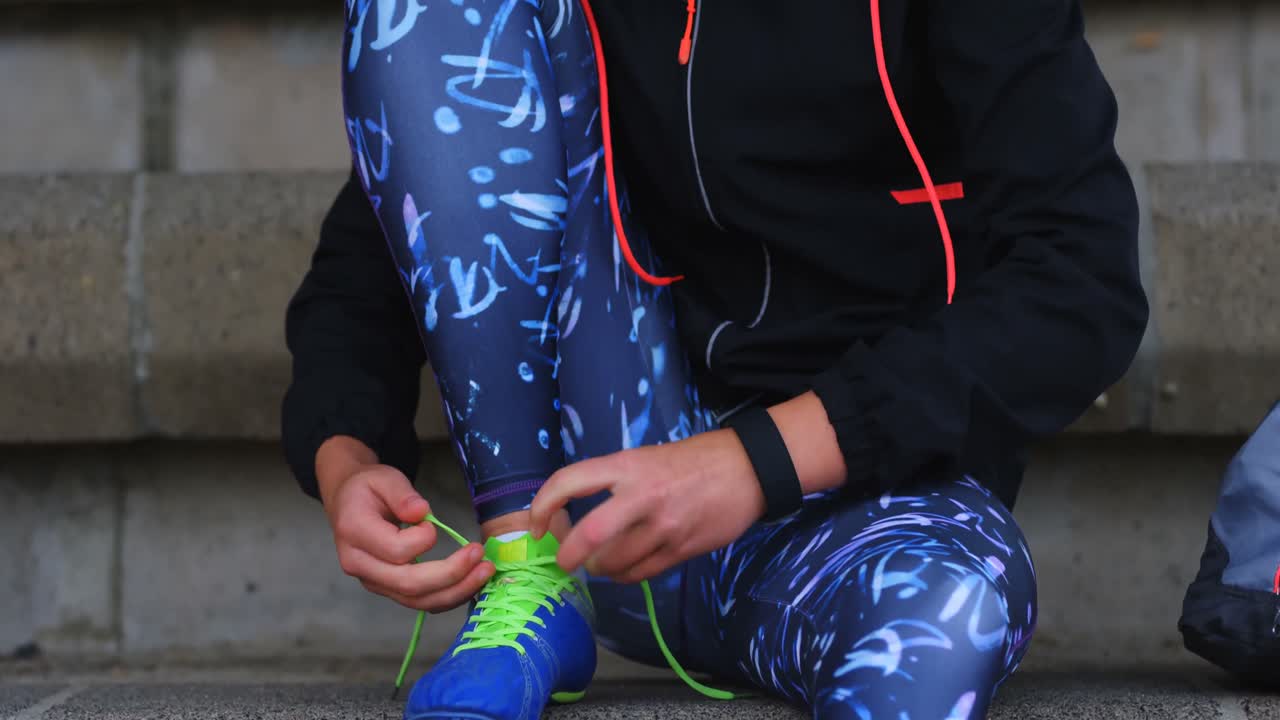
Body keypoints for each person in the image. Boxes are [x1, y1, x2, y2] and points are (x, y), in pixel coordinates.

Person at [283, 1, 1148, 718]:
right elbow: (407, 204)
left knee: (947, 617)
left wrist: (753, 463)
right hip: (595, 505)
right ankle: (525, 586)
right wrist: (346, 450)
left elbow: (1080, 285)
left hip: (867, 508)